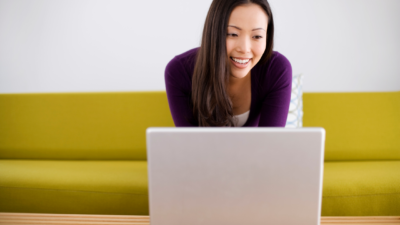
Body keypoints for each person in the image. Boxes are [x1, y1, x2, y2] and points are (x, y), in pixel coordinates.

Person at [165, 0, 292, 127]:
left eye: (257, 36)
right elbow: (189, 144)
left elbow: (271, 144)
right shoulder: (179, 71)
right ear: (213, 33)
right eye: (233, 34)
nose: (244, 48)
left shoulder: (277, 70)